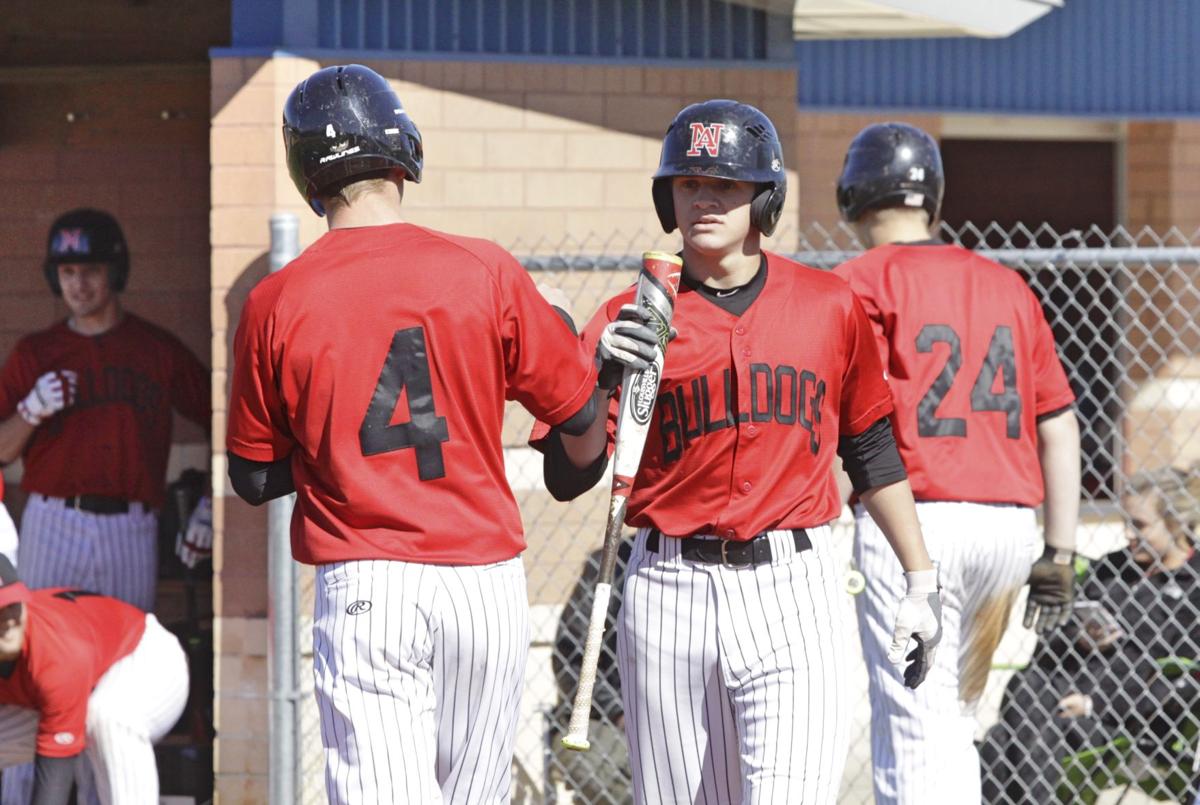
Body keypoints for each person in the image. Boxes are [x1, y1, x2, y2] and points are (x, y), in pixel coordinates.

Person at [533, 99, 943, 804]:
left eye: (726, 184)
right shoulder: (631, 317)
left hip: (793, 587)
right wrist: (585, 381)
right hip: (668, 589)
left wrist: (920, 579)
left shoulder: (828, 304)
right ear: (669, 196)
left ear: (765, 197)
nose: (706, 199)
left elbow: (871, 449)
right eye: (690, 184)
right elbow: (571, 476)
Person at [225, 64, 614, 804]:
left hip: (368, 579)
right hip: (484, 581)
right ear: (400, 145)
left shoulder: (275, 298)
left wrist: (334, 454)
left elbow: (251, 476)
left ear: (306, 170)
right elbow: (580, 421)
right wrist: (561, 332)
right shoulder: (484, 268)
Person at [832, 122, 1083, 805]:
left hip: (915, 526)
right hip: (1009, 529)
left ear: (852, 194)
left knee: (915, 726)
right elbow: (1058, 422)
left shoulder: (857, 280)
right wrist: (1060, 549)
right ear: (933, 199)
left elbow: (837, 414)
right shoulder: (1005, 283)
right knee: (953, 721)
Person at [0, 208, 213, 613]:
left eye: (91, 270)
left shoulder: (155, 348)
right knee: (46, 650)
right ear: (54, 278)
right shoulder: (36, 352)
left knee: (128, 655)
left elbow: (221, 418)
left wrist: (210, 503)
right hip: (52, 521)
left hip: (129, 525)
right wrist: (30, 411)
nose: (78, 285)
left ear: (114, 272)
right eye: (67, 273)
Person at [980, 464, 1200, 804]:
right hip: (1055, 696)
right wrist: (1078, 637)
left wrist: (1096, 704)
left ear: (1175, 523)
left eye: (1139, 525)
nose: (1128, 534)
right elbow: (1051, 641)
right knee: (1027, 689)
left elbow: (1183, 681)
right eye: (1127, 522)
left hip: (1123, 719)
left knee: (998, 743)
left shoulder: (1194, 587)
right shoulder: (1110, 568)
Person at [0, 555, 189, 804]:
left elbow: (54, 784)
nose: (10, 618)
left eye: (14, 604)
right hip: (74, 675)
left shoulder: (55, 653)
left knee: (109, 718)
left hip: (145, 657)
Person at [550, 542, 633, 804]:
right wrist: (618, 712)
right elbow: (569, 654)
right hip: (603, 716)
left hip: (678, 714)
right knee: (591, 766)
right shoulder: (612, 561)